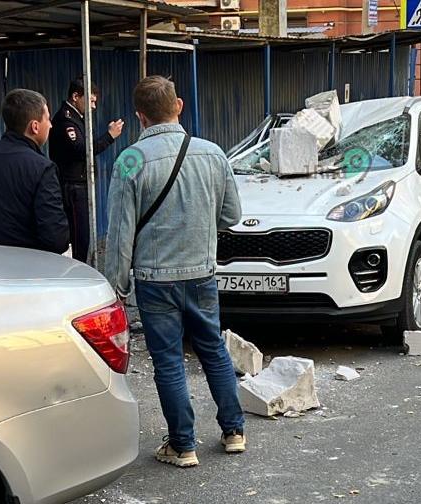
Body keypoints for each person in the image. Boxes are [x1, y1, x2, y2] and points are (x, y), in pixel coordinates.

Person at [104, 76, 244, 468]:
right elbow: (232, 215)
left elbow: (120, 233)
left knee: (168, 361)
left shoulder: (130, 159)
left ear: (139, 116)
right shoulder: (213, 154)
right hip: (201, 274)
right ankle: (234, 431)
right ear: (178, 105)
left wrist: (115, 285)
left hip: (153, 280)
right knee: (213, 349)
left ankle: (183, 445)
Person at [0, 89, 68, 254]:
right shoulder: (43, 168)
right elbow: (56, 239)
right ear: (34, 126)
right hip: (29, 271)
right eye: (48, 119)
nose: (51, 125)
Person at [49, 77, 124, 262]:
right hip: (72, 187)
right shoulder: (66, 119)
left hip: (79, 185)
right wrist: (109, 136)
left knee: (83, 235)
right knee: (79, 237)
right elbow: (82, 150)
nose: (93, 107)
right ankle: (78, 273)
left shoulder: (76, 117)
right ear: (76, 96)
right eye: (90, 101)